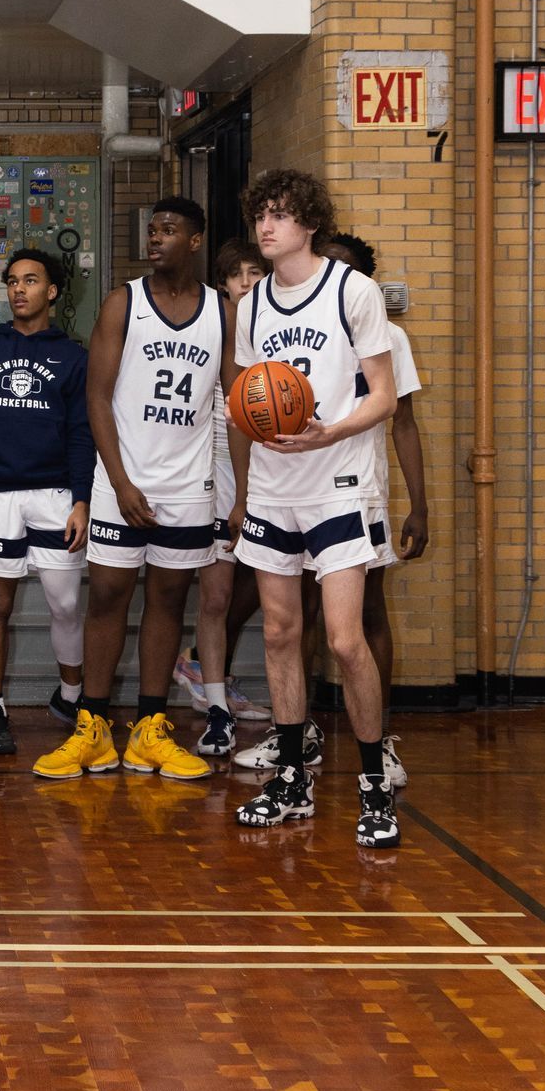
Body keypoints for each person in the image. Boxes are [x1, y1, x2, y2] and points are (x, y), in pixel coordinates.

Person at [227, 167, 400, 849]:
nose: (267, 226)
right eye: (260, 215)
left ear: (309, 222)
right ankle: (293, 778)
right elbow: (246, 397)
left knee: (342, 638)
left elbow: (383, 395)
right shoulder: (253, 304)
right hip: (275, 483)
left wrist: (329, 430)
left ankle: (373, 783)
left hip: (339, 478)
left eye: (280, 214)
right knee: (276, 631)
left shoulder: (352, 291)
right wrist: (244, 484)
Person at [35, 195, 226, 784]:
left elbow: (235, 400)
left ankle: (149, 729)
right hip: (124, 479)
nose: (156, 238)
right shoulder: (124, 303)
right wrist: (118, 482)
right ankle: (91, 727)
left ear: (195, 240)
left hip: (189, 484)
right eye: (152, 229)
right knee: (109, 599)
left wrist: (237, 497)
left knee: (168, 602)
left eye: (169, 230)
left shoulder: (225, 311)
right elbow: (96, 397)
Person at [0, 249, 92, 755]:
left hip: (55, 495)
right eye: (11, 281)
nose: (18, 289)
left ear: (52, 292)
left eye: (30, 280)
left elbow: (81, 432)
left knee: (66, 603)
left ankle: (71, 695)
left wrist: (82, 499)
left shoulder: (73, 357)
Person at [323, 233, 428, 791]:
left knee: (368, 614)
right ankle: (301, 732)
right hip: (300, 487)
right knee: (297, 616)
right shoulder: (297, 326)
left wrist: (420, 504)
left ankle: (379, 735)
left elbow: (404, 423)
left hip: (362, 488)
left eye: (350, 271)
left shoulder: (389, 336)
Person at [176, 237, 268, 755]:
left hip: (268, 472)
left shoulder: (275, 327)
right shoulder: (211, 324)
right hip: (210, 471)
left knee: (263, 590)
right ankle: (216, 706)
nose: (248, 283)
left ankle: (220, 684)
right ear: (224, 284)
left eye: (257, 273)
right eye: (239, 275)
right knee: (215, 595)